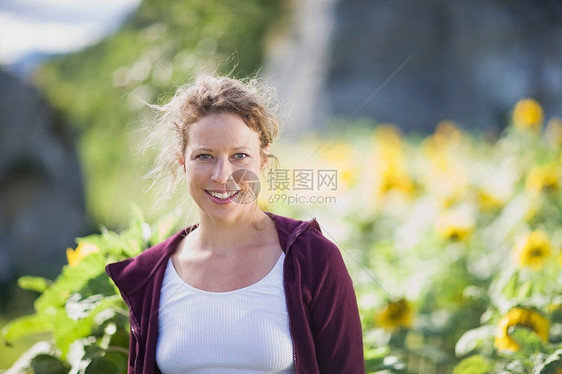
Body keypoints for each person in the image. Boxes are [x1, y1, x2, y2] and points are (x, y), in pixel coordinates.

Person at [105, 74, 365, 373]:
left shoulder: (314, 259)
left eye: (239, 155)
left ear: (262, 163)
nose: (221, 174)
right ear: (182, 164)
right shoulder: (151, 276)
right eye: (204, 156)